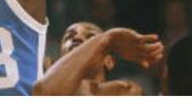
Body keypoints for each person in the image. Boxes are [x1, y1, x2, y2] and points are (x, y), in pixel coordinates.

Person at [32, 25, 163, 96]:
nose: (77, 38)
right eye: (69, 36)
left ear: (109, 61)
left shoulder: (124, 92)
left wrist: (110, 37)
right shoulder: (40, 79)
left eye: (91, 38)